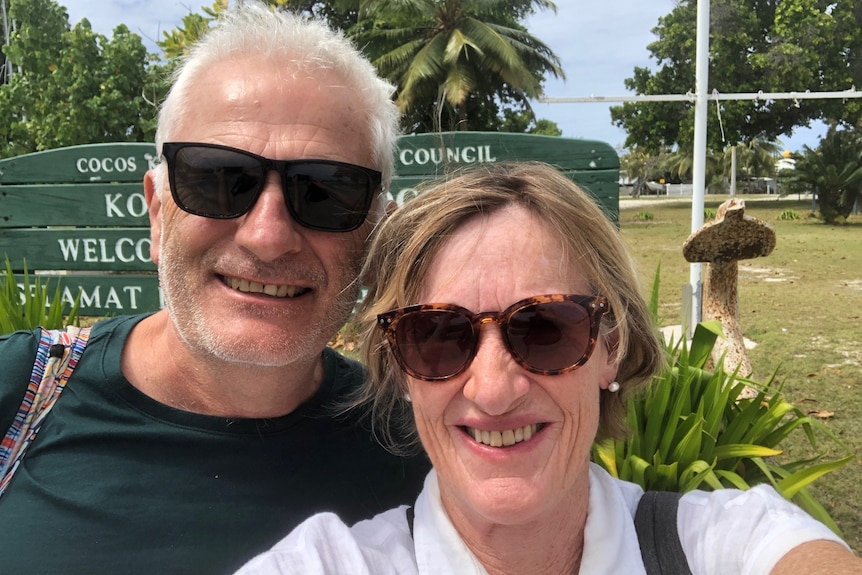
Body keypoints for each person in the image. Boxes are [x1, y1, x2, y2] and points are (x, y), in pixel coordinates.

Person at [234, 162, 861, 575]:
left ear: (611, 346)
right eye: (437, 336)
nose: (494, 388)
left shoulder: (722, 545)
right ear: (400, 367)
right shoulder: (328, 563)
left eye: (545, 330)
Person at [0, 3, 429, 574]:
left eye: (325, 192)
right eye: (220, 181)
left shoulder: (425, 454)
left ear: (375, 232)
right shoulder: (18, 397)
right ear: (156, 212)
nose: (268, 236)